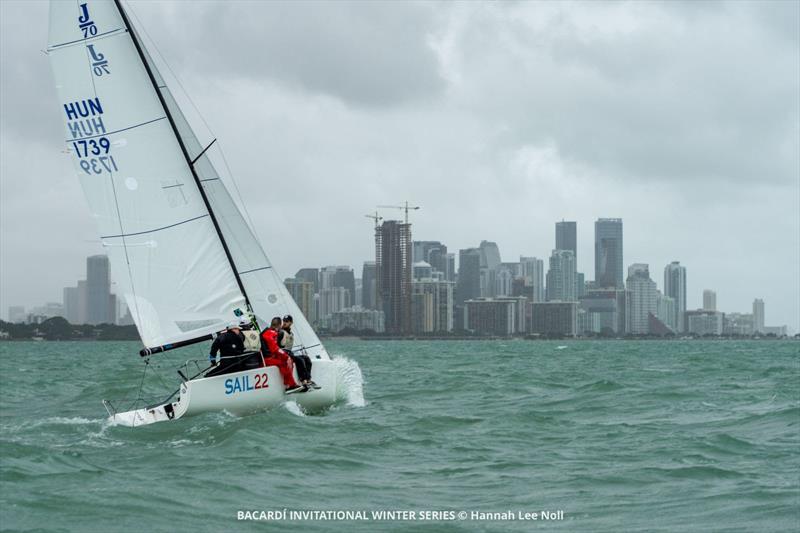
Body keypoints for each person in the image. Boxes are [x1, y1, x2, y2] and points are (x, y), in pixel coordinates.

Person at [260, 316, 303, 393]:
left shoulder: (270, 332)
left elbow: (275, 349)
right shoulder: (269, 333)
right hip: (266, 359)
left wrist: (287, 357)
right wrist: (286, 357)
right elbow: (275, 349)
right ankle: (291, 385)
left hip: (270, 357)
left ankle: (288, 384)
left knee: (289, 360)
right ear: (279, 325)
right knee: (285, 362)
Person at [279, 315, 320, 390]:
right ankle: (303, 381)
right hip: (283, 356)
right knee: (300, 360)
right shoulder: (281, 332)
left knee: (306, 358)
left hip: (289, 354)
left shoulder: (291, 334)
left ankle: (308, 380)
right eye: (284, 321)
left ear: (291, 323)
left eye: (287, 321)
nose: (284, 323)